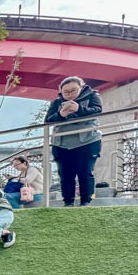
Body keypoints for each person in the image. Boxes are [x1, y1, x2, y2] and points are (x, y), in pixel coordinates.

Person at [45, 76, 103, 206]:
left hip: (87, 140)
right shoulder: (56, 103)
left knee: (85, 172)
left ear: (81, 88)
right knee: (65, 175)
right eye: (66, 92)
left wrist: (79, 109)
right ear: (61, 92)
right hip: (61, 142)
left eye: (73, 90)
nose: (70, 95)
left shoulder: (92, 97)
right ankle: (68, 202)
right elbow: (48, 120)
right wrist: (61, 114)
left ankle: (86, 201)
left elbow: (98, 111)